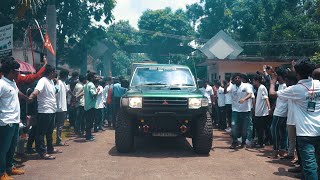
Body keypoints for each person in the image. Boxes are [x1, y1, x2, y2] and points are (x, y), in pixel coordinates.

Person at [270, 58, 320, 180]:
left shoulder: (295, 89)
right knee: (316, 162)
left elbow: (272, 94)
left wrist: (272, 83)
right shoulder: (318, 84)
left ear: (297, 74)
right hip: (318, 130)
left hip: (305, 132)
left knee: (309, 165)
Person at [28, 65, 61, 160]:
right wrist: (31, 96)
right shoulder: (43, 80)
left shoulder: (50, 81)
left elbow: (55, 92)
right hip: (44, 111)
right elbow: (37, 90)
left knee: (50, 132)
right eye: (54, 72)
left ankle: (50, 148)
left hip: (51, 110)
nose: (56, 73)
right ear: (51, 72)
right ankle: (42, 152)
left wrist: (57, 82)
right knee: (41, 133)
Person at [0, 59, 26, 180]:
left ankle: (10, 167)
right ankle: (1, 173)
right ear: (11, 71)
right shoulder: (1, 84)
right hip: (5, 122)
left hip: (15, 120)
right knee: (3, 149)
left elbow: (17, 92)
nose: (19, 73)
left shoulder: (12, 83)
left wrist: (26, 98)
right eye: (17, 71)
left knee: (12, 147)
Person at [230, 73, 253, 149]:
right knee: (234, 126)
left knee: (244, 127)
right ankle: (234, 141)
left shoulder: (246, 85)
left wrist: (244, 99)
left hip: (245, 110)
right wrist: (229, 83)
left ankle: (243, 142)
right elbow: (225, 91)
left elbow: (250, 94)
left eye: (238, 78)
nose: (237, 79)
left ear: (241, 79)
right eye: (235, 78)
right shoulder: (232, 87)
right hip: (235, 110)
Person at [270, 67, 288, 158]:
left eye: (275, 74)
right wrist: (272, 108)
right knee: (282, 132)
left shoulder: (285, 86)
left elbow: (272, 94)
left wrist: (272, 83)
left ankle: (276, 150)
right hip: (278, 111)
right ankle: (282, 149)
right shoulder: (281, 85)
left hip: (281, 113)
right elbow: (278, 99)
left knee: (274, 131)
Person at [252, 74, 271, 148]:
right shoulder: (259, 88)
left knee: (260, 129)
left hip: (262, 113)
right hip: (259, 112)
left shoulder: (262, 88)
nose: (253, 82)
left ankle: (261, 143)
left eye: (254, 81)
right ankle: (264, 141)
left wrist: (269, 109)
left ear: (257, 81)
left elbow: (266, 99)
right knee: (261, 128)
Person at [55, 69, 70, 146]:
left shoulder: (63, 83)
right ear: (65, 76)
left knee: (59, 125)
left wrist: (74, 96)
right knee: (59, 125)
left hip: (62, 107)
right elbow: (55, 92)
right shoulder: (59, 83)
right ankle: (58, 140)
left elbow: (68, 90)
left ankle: (58, 139)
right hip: (60, 107)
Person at [83, 72, 97, 141]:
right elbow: (93, 94)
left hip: (87, 105)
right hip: (91, 106)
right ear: (91, 78)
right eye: (95, 77)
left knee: (88, 121)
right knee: (90, 122)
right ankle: (88, 136)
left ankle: (88, 135)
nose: (96, 78)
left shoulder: (86, 84)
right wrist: (97, 91)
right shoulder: (91, 85)